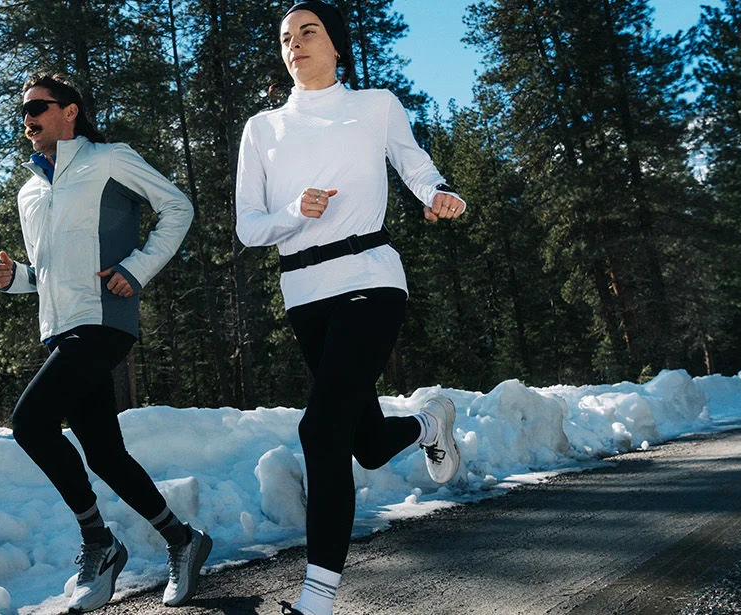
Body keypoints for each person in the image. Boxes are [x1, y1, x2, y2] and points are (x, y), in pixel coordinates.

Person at [232, 3, 468, 615]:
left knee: (319, 429)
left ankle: (317, 599)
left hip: (370, 276)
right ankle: (426, 424)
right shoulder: (262, 128)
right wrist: (294, 214)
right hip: (304, 293)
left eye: (308, 32)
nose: (295, 44)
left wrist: (438, 194)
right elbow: (249, 226)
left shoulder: (374, 106)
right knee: (361, 442)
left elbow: (414, 163)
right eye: (286, 37)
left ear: (337, 45)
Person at [0, 73, 206, 612]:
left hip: (105, 319)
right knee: (105, 453)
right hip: (59, 328)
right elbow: (50, 270)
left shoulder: (109, 159)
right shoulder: (30, 191)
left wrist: (138, 267)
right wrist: (17, 279)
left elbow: (178, 207)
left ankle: (100, 542)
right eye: (23, 111)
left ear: (70, 112)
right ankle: (182, 539)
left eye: (37, 106)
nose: (28, 118)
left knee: (31, 423)